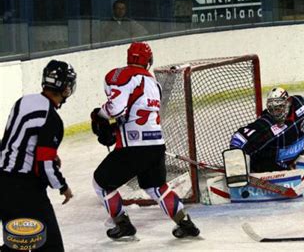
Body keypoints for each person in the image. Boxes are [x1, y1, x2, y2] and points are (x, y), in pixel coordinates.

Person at [90, 41, 199, 240]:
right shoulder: (154, 84)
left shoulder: (123, 75)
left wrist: (100, 115)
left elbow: (116, 109)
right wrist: (114, 128)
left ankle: (122, 224)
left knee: (101, 183)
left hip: (132, 147)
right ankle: (184, 222)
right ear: (148, 61)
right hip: (156, 144)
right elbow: (134, 113)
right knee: (156, 187)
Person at [0, 60, 76, 252]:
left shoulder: (23, 101)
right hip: (25, 191)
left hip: (3, 182)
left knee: (18, 244)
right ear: (65, 87)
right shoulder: (51, 118)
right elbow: (45, 166)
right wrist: (63, 186)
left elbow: (13, 141)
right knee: (51, 246)